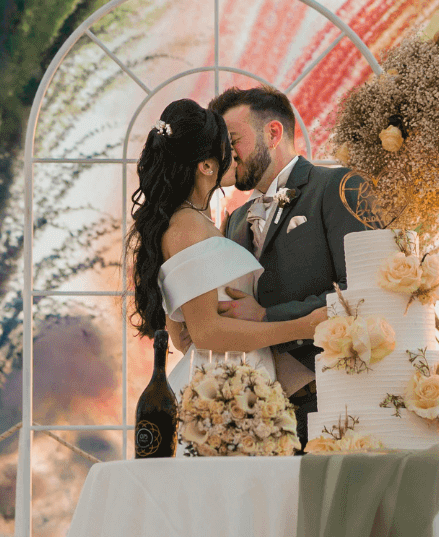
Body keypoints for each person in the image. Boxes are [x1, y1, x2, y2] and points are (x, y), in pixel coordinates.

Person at [127, 97, 328, 403]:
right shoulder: (188, 226)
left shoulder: (193, 222)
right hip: (223, 388)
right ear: (207, 166)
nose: (234, 155)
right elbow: (207, 333)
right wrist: (301, 326)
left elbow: (184, 335)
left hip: (234, 378)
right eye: (227, 146)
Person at [210, 85, 371, 447]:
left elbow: (364, 292)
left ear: (273, 133)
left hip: (333, 400)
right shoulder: (235, 220)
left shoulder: (338, 186)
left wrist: (267, 315)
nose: (226, 154)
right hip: (256, 413)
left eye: (233, 139)